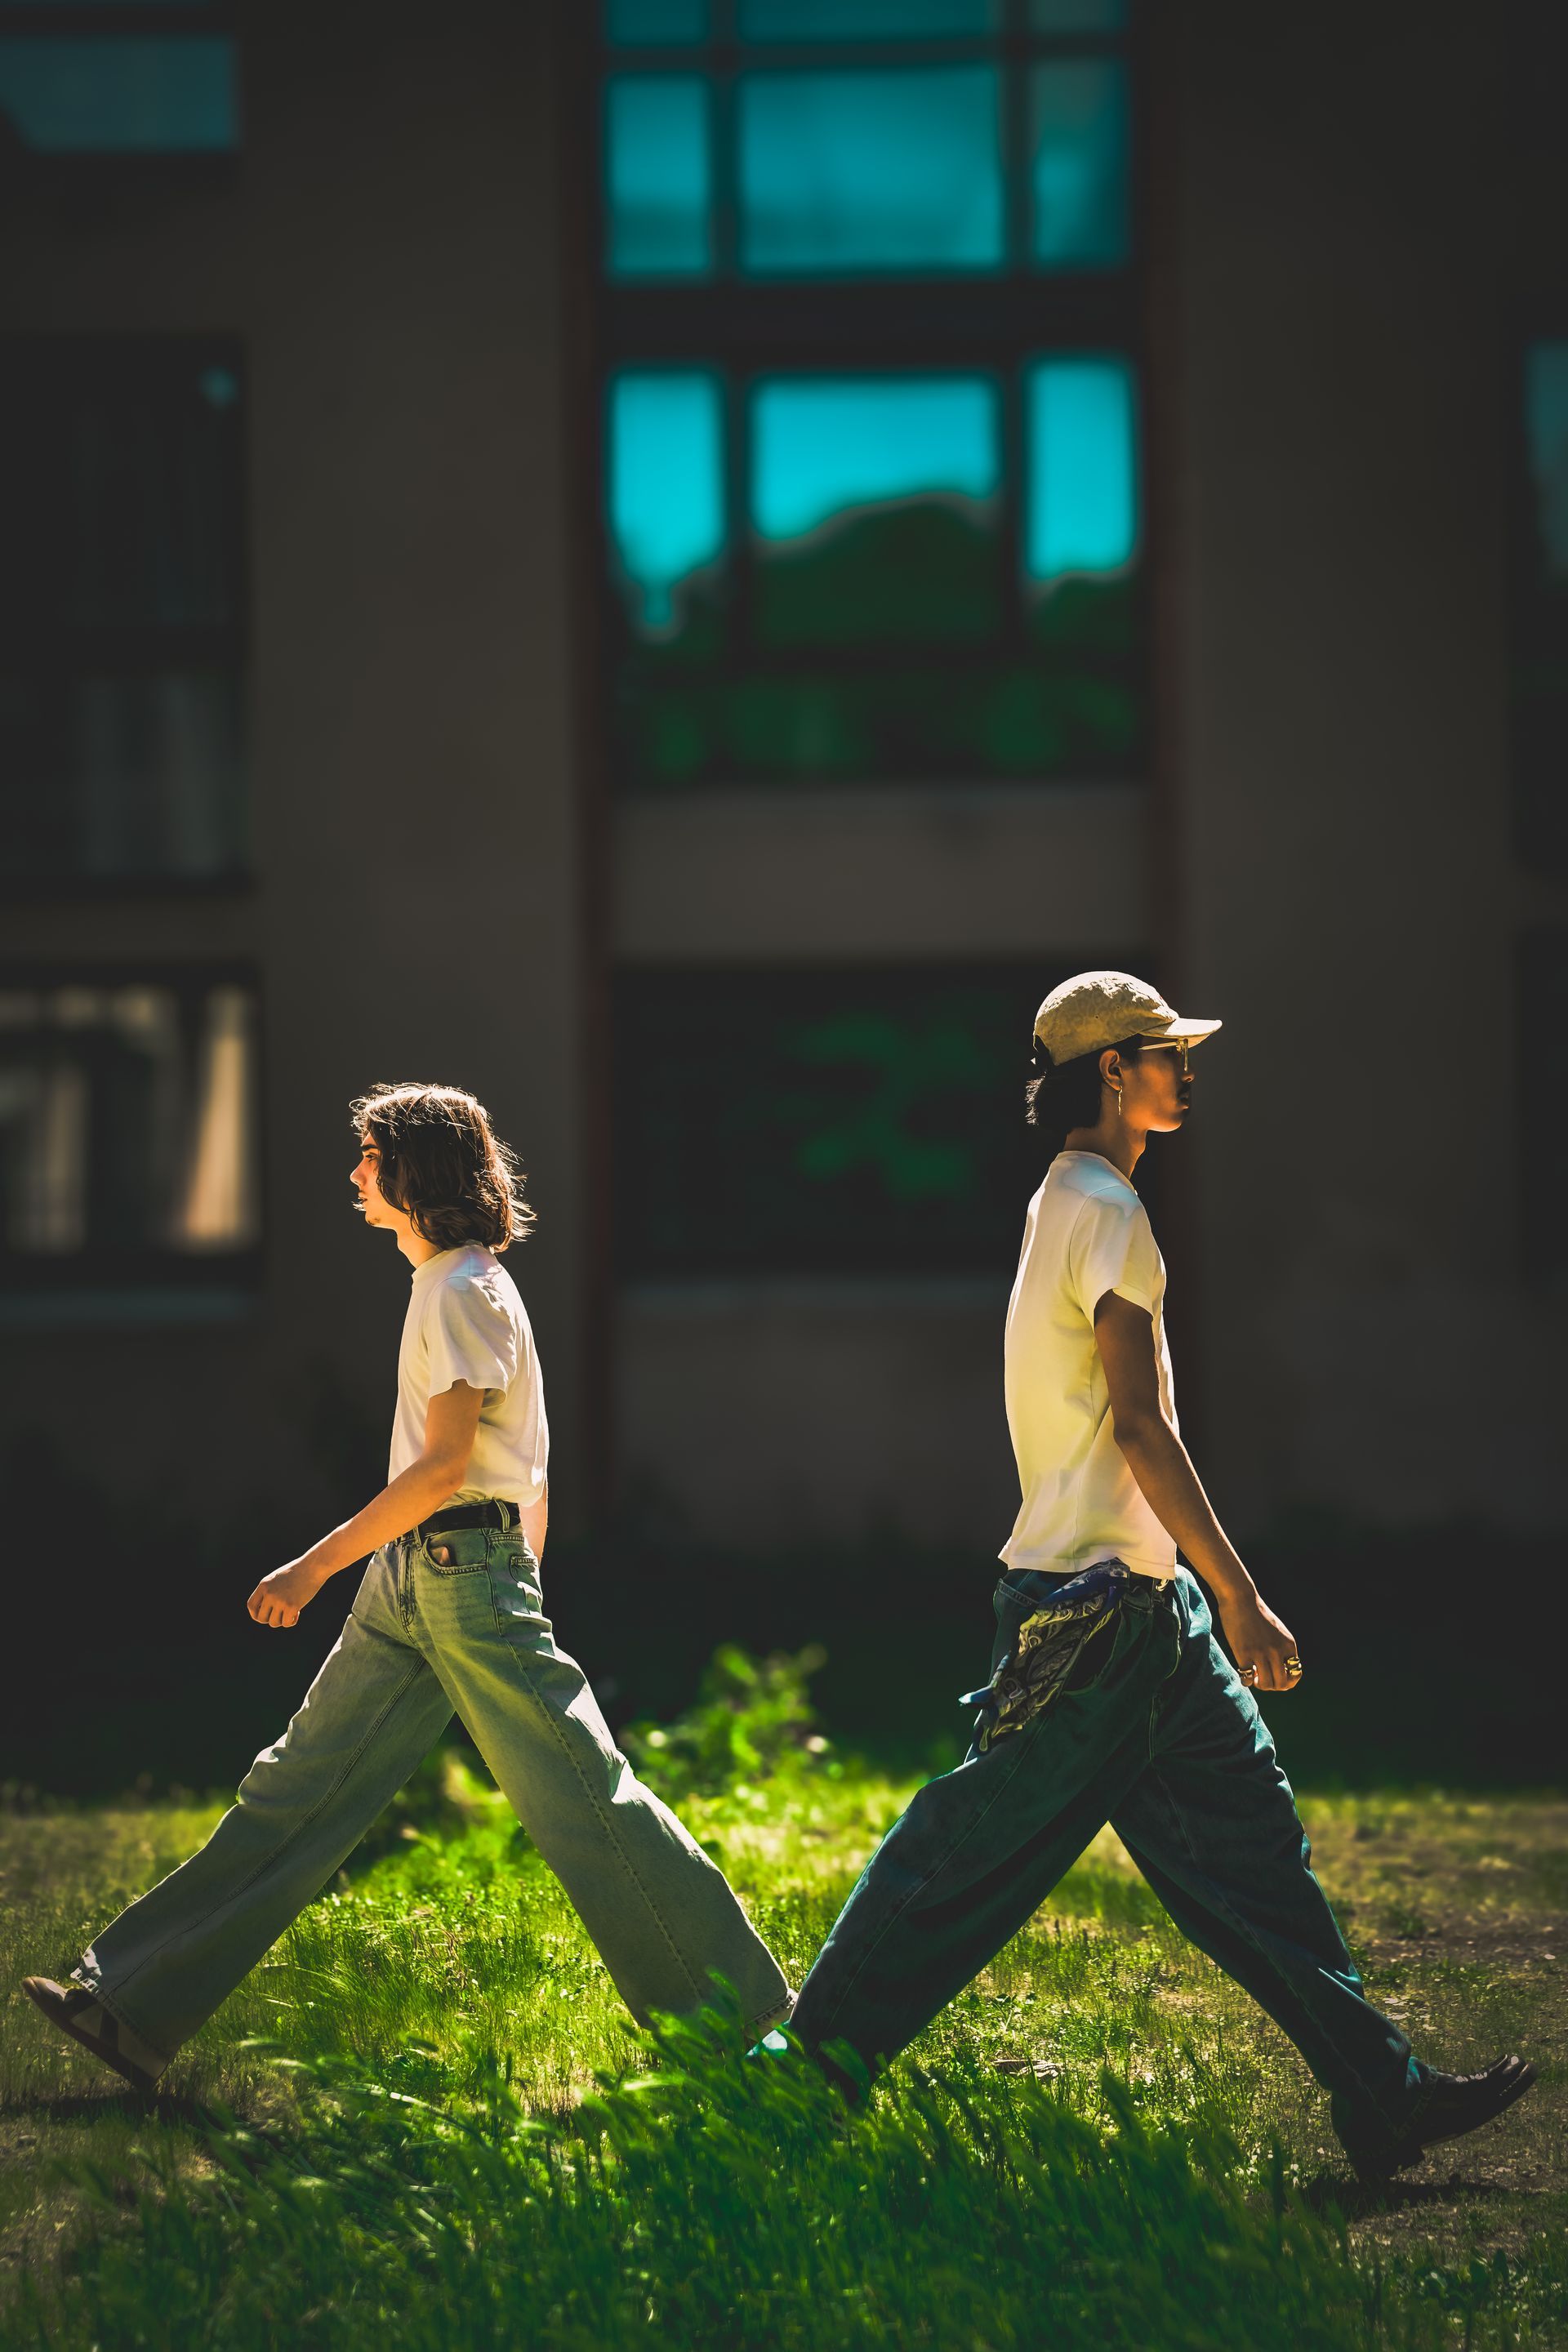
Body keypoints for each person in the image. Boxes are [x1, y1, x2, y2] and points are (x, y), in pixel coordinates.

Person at [788, 971, 1535, 2177]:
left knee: (1252, 1851)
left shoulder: (1066, 1199)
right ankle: (802, 2072)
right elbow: (1139, 1425)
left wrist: (1196, 1596)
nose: (1185, 1070)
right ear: (1111, 1073)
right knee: (967, 1850)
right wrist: (1240, 1589)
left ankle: (1378, 2095)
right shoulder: (1110, 1213)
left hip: (1146, 1613)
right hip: (1096, 1618)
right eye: (1164, 1052)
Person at [24, 1081, 789, 2092]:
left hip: (459, 1574)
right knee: (294, 1789)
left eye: (370, 1157)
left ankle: (747, 2033)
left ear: (415, 1174)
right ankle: (129, 2008)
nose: (355, 1175)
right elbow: (527, 1470)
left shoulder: (466, 1289)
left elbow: (445, 1469)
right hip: (420, 1579)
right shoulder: (449, 1283)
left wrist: (314, 1566)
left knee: (587, 1802)